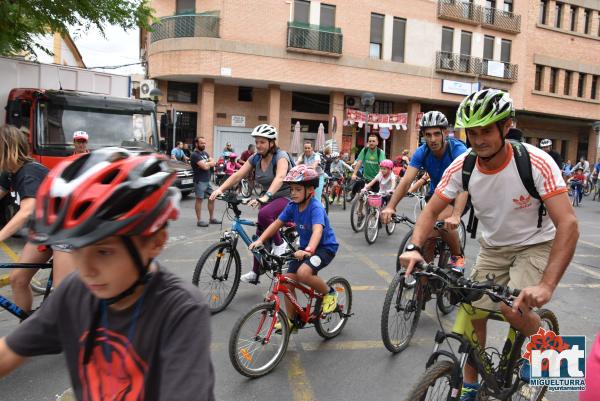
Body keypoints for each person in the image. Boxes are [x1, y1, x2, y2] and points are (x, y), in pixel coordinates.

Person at [399, 89, 578, 401]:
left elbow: (569, 224)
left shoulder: (536, 163)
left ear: (506, 127)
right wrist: (414, 247)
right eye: (472, 132)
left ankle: (548, 347)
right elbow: (430, 210)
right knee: (471, 310)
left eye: (486, 131)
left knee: (512, 308)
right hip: (494, 247)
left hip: (536, 244)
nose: (478, 140)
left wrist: (547, 285)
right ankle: (470, 387)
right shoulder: (462, 166)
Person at [0, 148, 215, 400]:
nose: (85, 269)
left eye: (104, 252)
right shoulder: (74, 291)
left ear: (155, 242)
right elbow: (8, 351)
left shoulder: (180, 309)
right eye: (78, 249)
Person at [248, 165, 339, 329]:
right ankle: (291, 321)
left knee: (304, 273)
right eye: (292, 189)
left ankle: (330, 293)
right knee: (287, 281)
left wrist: (309, 250)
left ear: (310, 190)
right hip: (303, 250)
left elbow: (318, 231)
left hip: (323, 248)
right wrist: (260, 240)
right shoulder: (292, 206)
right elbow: (276, 224)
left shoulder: (316, 207)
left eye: (298, 189)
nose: (293, 193)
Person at [381, 111, 469, 273]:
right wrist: (391, 206)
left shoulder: (458, 150)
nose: (432, 139)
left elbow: (464, 185)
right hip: (437, 194)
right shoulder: (422, 152)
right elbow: (406, 180)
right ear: (423, 135)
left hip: (459, 194)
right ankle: (424, 277)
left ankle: (457, 256)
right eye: (428, 135)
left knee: (441, 223)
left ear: (445, 133)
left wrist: (456, 215)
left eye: (437, 133)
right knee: (426, 236)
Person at [0, 126, 75, 312]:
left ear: (6, 148)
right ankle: (24, 333)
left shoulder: (30, 172)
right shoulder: (10, 173)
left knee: (63, 295)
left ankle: (61, 334)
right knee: (18, 279)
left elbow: (26, 211)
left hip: (64, 233)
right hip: (43, 231)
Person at [210, 124, 293, 283]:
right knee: (259, 234)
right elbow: (238, 175)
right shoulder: (255, 158)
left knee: (264, 214)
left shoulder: (281, 156)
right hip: (269, 198)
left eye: (262, 142)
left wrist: (266, 196)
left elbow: (280, 177)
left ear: (271, 143)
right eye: (257, 142)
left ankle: (280, 244)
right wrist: (219, 189)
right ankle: (255, 273)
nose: (259, 145)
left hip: (287, 196)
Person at [190, 137, 221, 227]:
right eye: (201, 143)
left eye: (204, 143)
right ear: (196, 144)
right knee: (199, 200)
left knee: (212, 198)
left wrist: (207, 163)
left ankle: (211, 219)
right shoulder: (194, 155)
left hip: (207, 180)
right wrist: (208, 163)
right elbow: (205, 167)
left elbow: (214, 162)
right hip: (199, 180)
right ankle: (199, 220)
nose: (204, 145)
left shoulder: (204, 153)